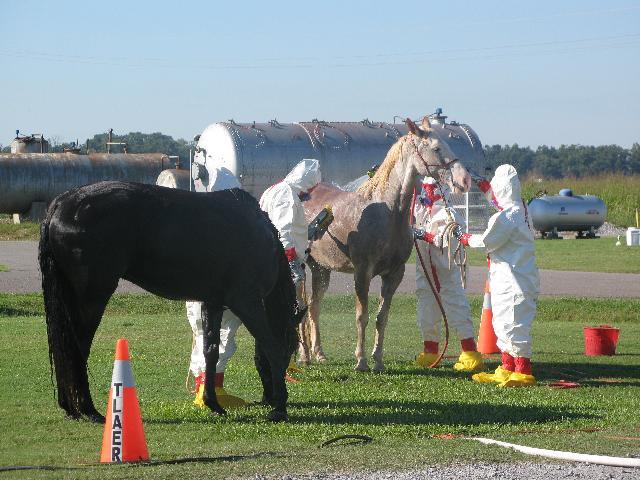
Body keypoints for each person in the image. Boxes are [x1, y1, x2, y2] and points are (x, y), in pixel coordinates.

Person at [454, 164, 539, 387]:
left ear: (502, 188)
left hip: (515, 281)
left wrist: (464, 238)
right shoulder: (519, 209)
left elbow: (487, 240)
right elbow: (496, 202)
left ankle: (523, 370)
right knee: (502, 324)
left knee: (514, 325)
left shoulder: (509, 216)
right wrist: (483, 186)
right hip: (506, 278)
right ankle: (507, 367)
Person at [189, 166, 247, 408]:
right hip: (221, 295)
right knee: (220, 337)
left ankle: (201, 388)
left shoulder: (197, 218)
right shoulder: (230, 223)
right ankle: (213, 390)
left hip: (194, 293)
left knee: (201, 336)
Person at [412, 177, 484, 372]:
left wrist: (422, 235)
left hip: (446, 272)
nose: (426, 194)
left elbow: (444, 240)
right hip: (425, 271)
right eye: (425, 189)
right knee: (426, 308)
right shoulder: (420, 211)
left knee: (456, 307)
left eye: (430, 190)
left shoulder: (448, 214)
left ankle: (470, 352)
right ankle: (430, 350)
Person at [259, 158, 321, 368]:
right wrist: (293, 263)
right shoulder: (286, 194)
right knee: (287, 310)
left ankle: (284, 355)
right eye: (310, 188)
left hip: (272, 258)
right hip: (283, 261)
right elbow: (283, 231)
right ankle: (285, 357)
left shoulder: (276, 189)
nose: (309, 193)